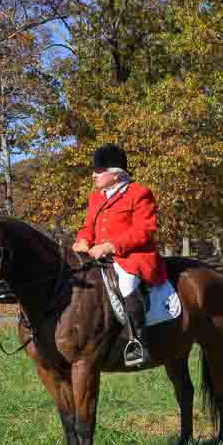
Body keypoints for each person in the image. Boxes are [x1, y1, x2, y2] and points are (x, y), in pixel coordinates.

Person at [72, 144, 166, 367]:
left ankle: (138, 343)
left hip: (132, 257)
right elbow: (89, 226)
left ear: (115, 175)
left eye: (98, 171)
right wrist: (83, 239)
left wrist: (109, 246)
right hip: (98, 256)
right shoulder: (96, 197)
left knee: (126, 284)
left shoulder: (139, 193)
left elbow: (145, 230)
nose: (93, 175)